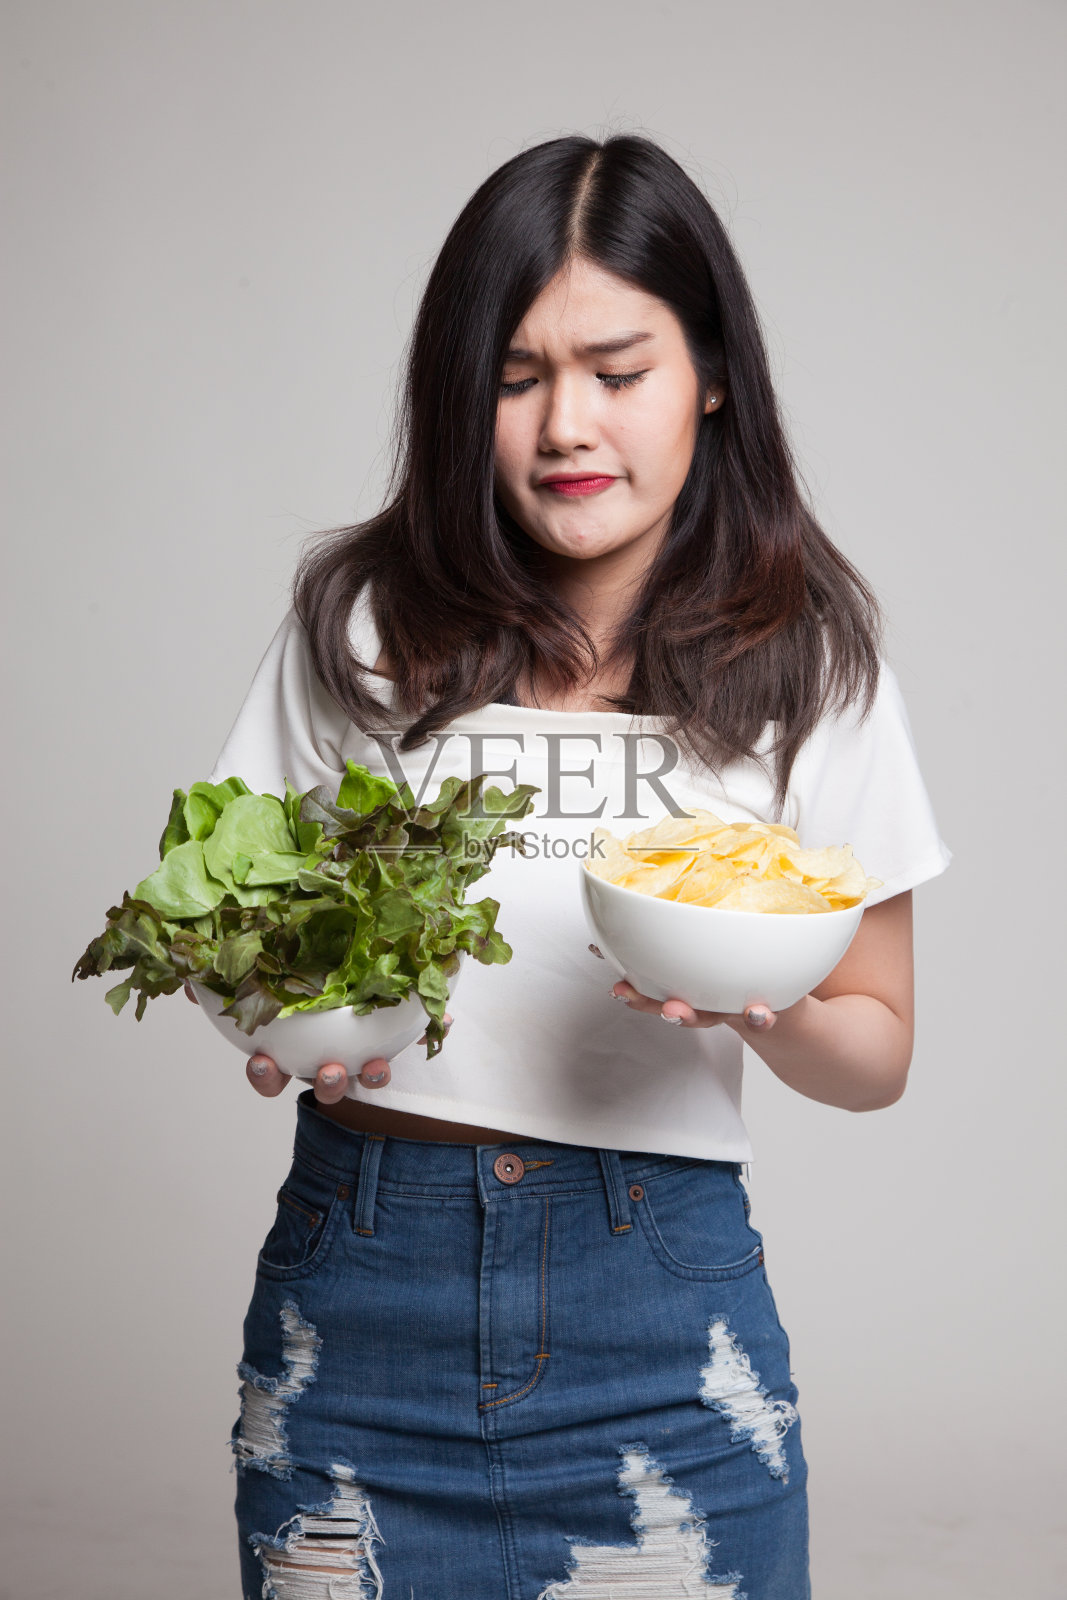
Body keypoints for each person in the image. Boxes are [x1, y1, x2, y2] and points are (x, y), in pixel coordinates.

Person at [195, 133, 950, 1599]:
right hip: (361, 1296)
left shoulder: (805, 655)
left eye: (618, 371)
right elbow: (235, 915)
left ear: (710, 375)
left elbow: (879, 1052)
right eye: (515, 376)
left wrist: (762, 1004)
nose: (566, 426)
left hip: (661, 1307)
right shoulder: (360, 621)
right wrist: (269, 1012)